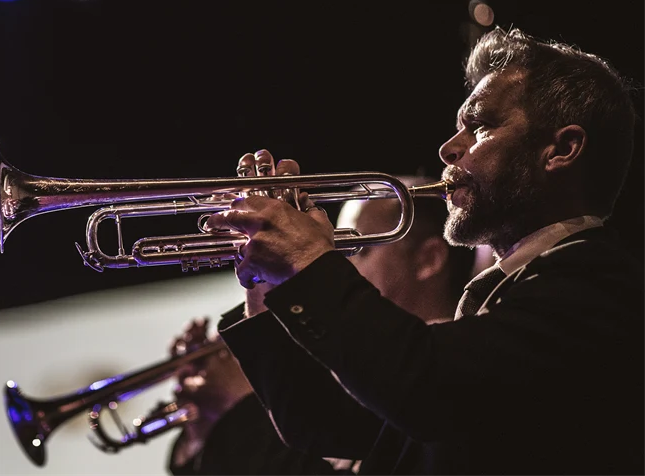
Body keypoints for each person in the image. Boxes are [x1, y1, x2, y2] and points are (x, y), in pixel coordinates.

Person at [203, 26, 644, 476]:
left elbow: (427, 387)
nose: (449, 148)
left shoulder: (597, 283)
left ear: (562, 149)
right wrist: (266, 276)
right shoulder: (514, 291)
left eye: (480, 126)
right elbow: (322, 421)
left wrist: (308, 260)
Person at [167, 180, 477, 475]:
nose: (337, 265)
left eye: (357, 249)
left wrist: (238, 406)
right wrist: (207, 427)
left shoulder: (445, 375)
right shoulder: (350, 365)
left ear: (428, 259)